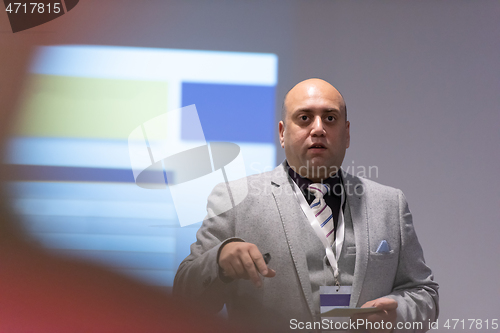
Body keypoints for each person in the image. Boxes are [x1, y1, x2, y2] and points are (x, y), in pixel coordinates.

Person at [173, 78, 439, 332]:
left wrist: (399, 314)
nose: (318, 128)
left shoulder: (389, 204)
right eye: (304, 118)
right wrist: (218, 262)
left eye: (330, 118)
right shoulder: (234, 198)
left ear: (346, 134)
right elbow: (184, 299)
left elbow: (423, 292)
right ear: (282, 133)